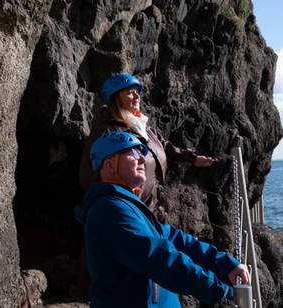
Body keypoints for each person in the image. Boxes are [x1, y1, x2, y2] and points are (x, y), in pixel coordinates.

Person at [75, 131, 249, 307]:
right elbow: (159, 258)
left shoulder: (127, 205)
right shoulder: (110, 210)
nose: (142, 159)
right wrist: (223, 291)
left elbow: (173, 237)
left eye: (142, 152)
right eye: (133, 153)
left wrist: (222, 262)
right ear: (109, 165)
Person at [79, 73, 215, 213]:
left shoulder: (146, 129)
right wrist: (115, 205)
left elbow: (166, 148)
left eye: (137, 92)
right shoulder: (107, 132)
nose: (137, 96)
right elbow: (89, 175)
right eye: (129, 93)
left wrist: (193, 158)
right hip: (128, 211)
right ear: (115, 99)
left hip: (152, 210)